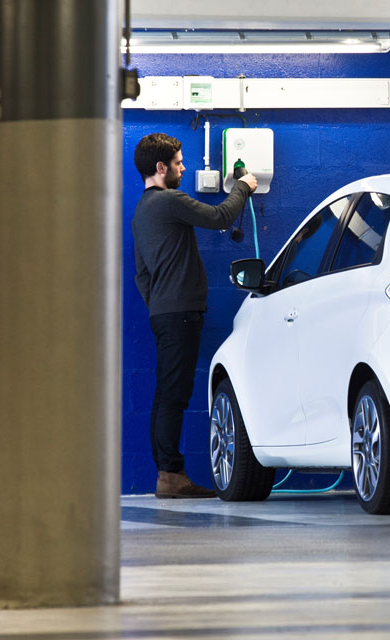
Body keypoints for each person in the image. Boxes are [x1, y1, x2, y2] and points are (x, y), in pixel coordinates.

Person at [132, 133, 259, 499]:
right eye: (178, 162)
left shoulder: (141, 211)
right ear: (161, 168)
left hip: (163, 313)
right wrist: (244, 186)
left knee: (166, 394)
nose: (184, 168)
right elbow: (220, 217)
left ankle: (167, 472)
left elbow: (142, 274)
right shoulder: (169, 201)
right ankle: (170, 476)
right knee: (174, 396)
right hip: (179, 313)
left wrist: (159, 303)